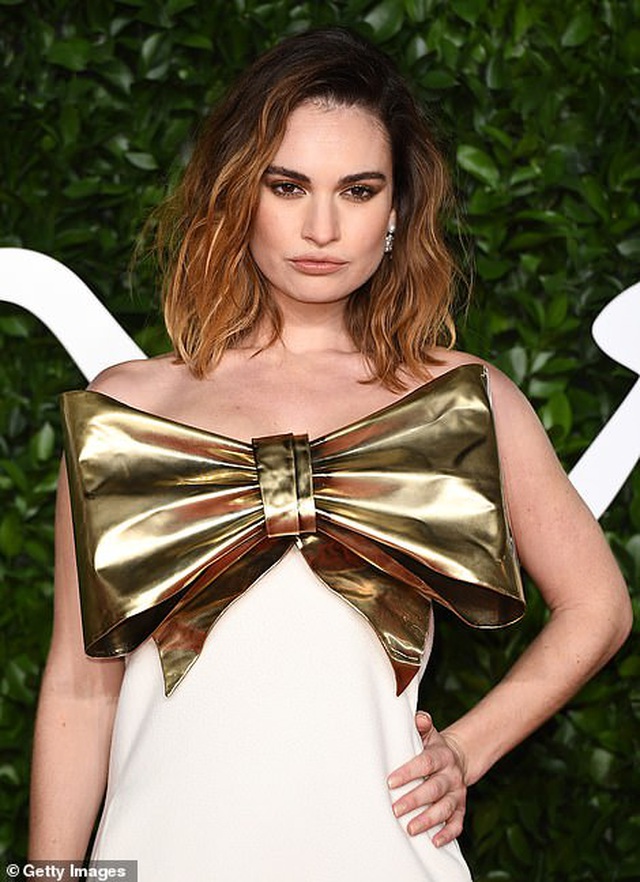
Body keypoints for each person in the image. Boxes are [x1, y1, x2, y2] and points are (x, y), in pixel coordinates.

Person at [29, 27, 631, 881]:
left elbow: (598, 605)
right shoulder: (127, 411)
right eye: (288, 186)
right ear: (239, 193)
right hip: (161, 853)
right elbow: (77, 684)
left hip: (383, 854)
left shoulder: (460, 402)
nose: (321, 227)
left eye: (358, 190)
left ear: (397, 209)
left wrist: (467, 749)